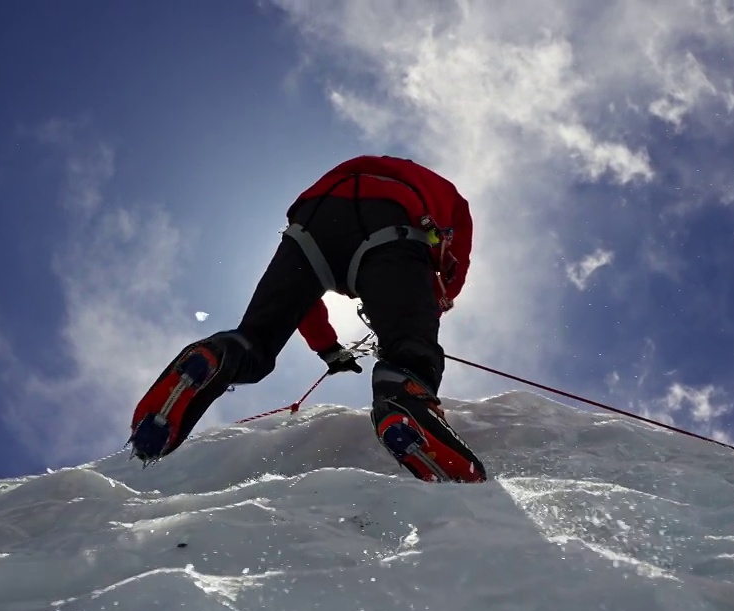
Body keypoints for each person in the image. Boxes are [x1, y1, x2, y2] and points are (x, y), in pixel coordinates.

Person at [128, 155, 487, 483]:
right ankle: (407, 406)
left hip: (313, 221)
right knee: (409, 349)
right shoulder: (437, 187)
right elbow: (459, 234)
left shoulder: (351, 167)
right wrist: (441, 295)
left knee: (256, 339)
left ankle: (215, 355)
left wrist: (330, 349)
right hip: (393, 218)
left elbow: (305, 306)